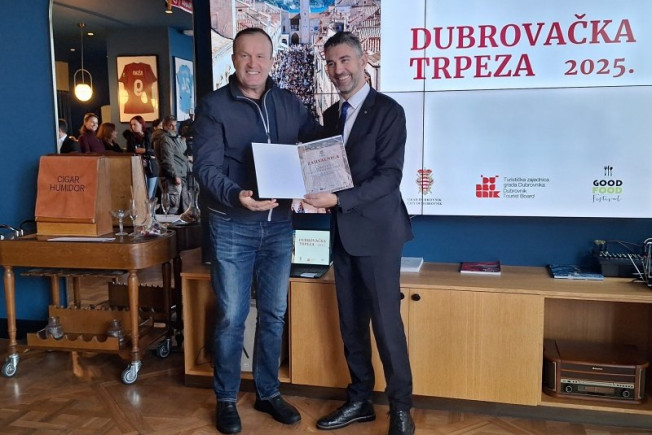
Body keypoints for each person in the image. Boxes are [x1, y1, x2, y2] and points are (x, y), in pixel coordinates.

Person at [192, 27, 320, 434]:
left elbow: (316, 145)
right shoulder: (214, 106)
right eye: (245, 55)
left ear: (272, 59)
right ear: (234, 59)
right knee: (232, 316)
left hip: (279, 226)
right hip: (233, 225)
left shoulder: (289, 103)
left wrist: (326, 168)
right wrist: (237, 195)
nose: (253, 63)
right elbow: (205, 168)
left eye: (261, 56)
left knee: (274, 313)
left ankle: (267, 392)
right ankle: (226, 399)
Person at [303, 31, 415, 435]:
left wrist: (337, 199)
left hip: (379, 236)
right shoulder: (331, 116)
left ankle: (401, 409)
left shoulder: (389, 111)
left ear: (362, 60)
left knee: (386, 326)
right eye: (331, 63)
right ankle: (360, 401)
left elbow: (389, 178)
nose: (338, 70)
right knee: (351, 325)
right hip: (343, 234)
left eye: (345, 60)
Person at [153, 115, 191, 214]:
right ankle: (168, 225)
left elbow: (178, 155)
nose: (174, 128)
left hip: (179, 175)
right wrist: (175, 176)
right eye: (171, 125)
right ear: (165, 126)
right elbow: (167, 160)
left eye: (175, 125)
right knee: (171, 208)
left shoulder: (173, 138)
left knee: (181, 208)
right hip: (171, 177)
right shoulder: (165, 139)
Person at [124, 115, 159, 199]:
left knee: (150, 194)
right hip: (138, 166)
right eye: (131, 125)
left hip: (152, 166)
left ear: (141, 124)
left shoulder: (150, 135)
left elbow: (156, 151)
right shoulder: (131, 138)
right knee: (140, 193)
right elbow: (130, 152)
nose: (133, 127)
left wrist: (145, 151)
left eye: (135, 124)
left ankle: (149, 207)